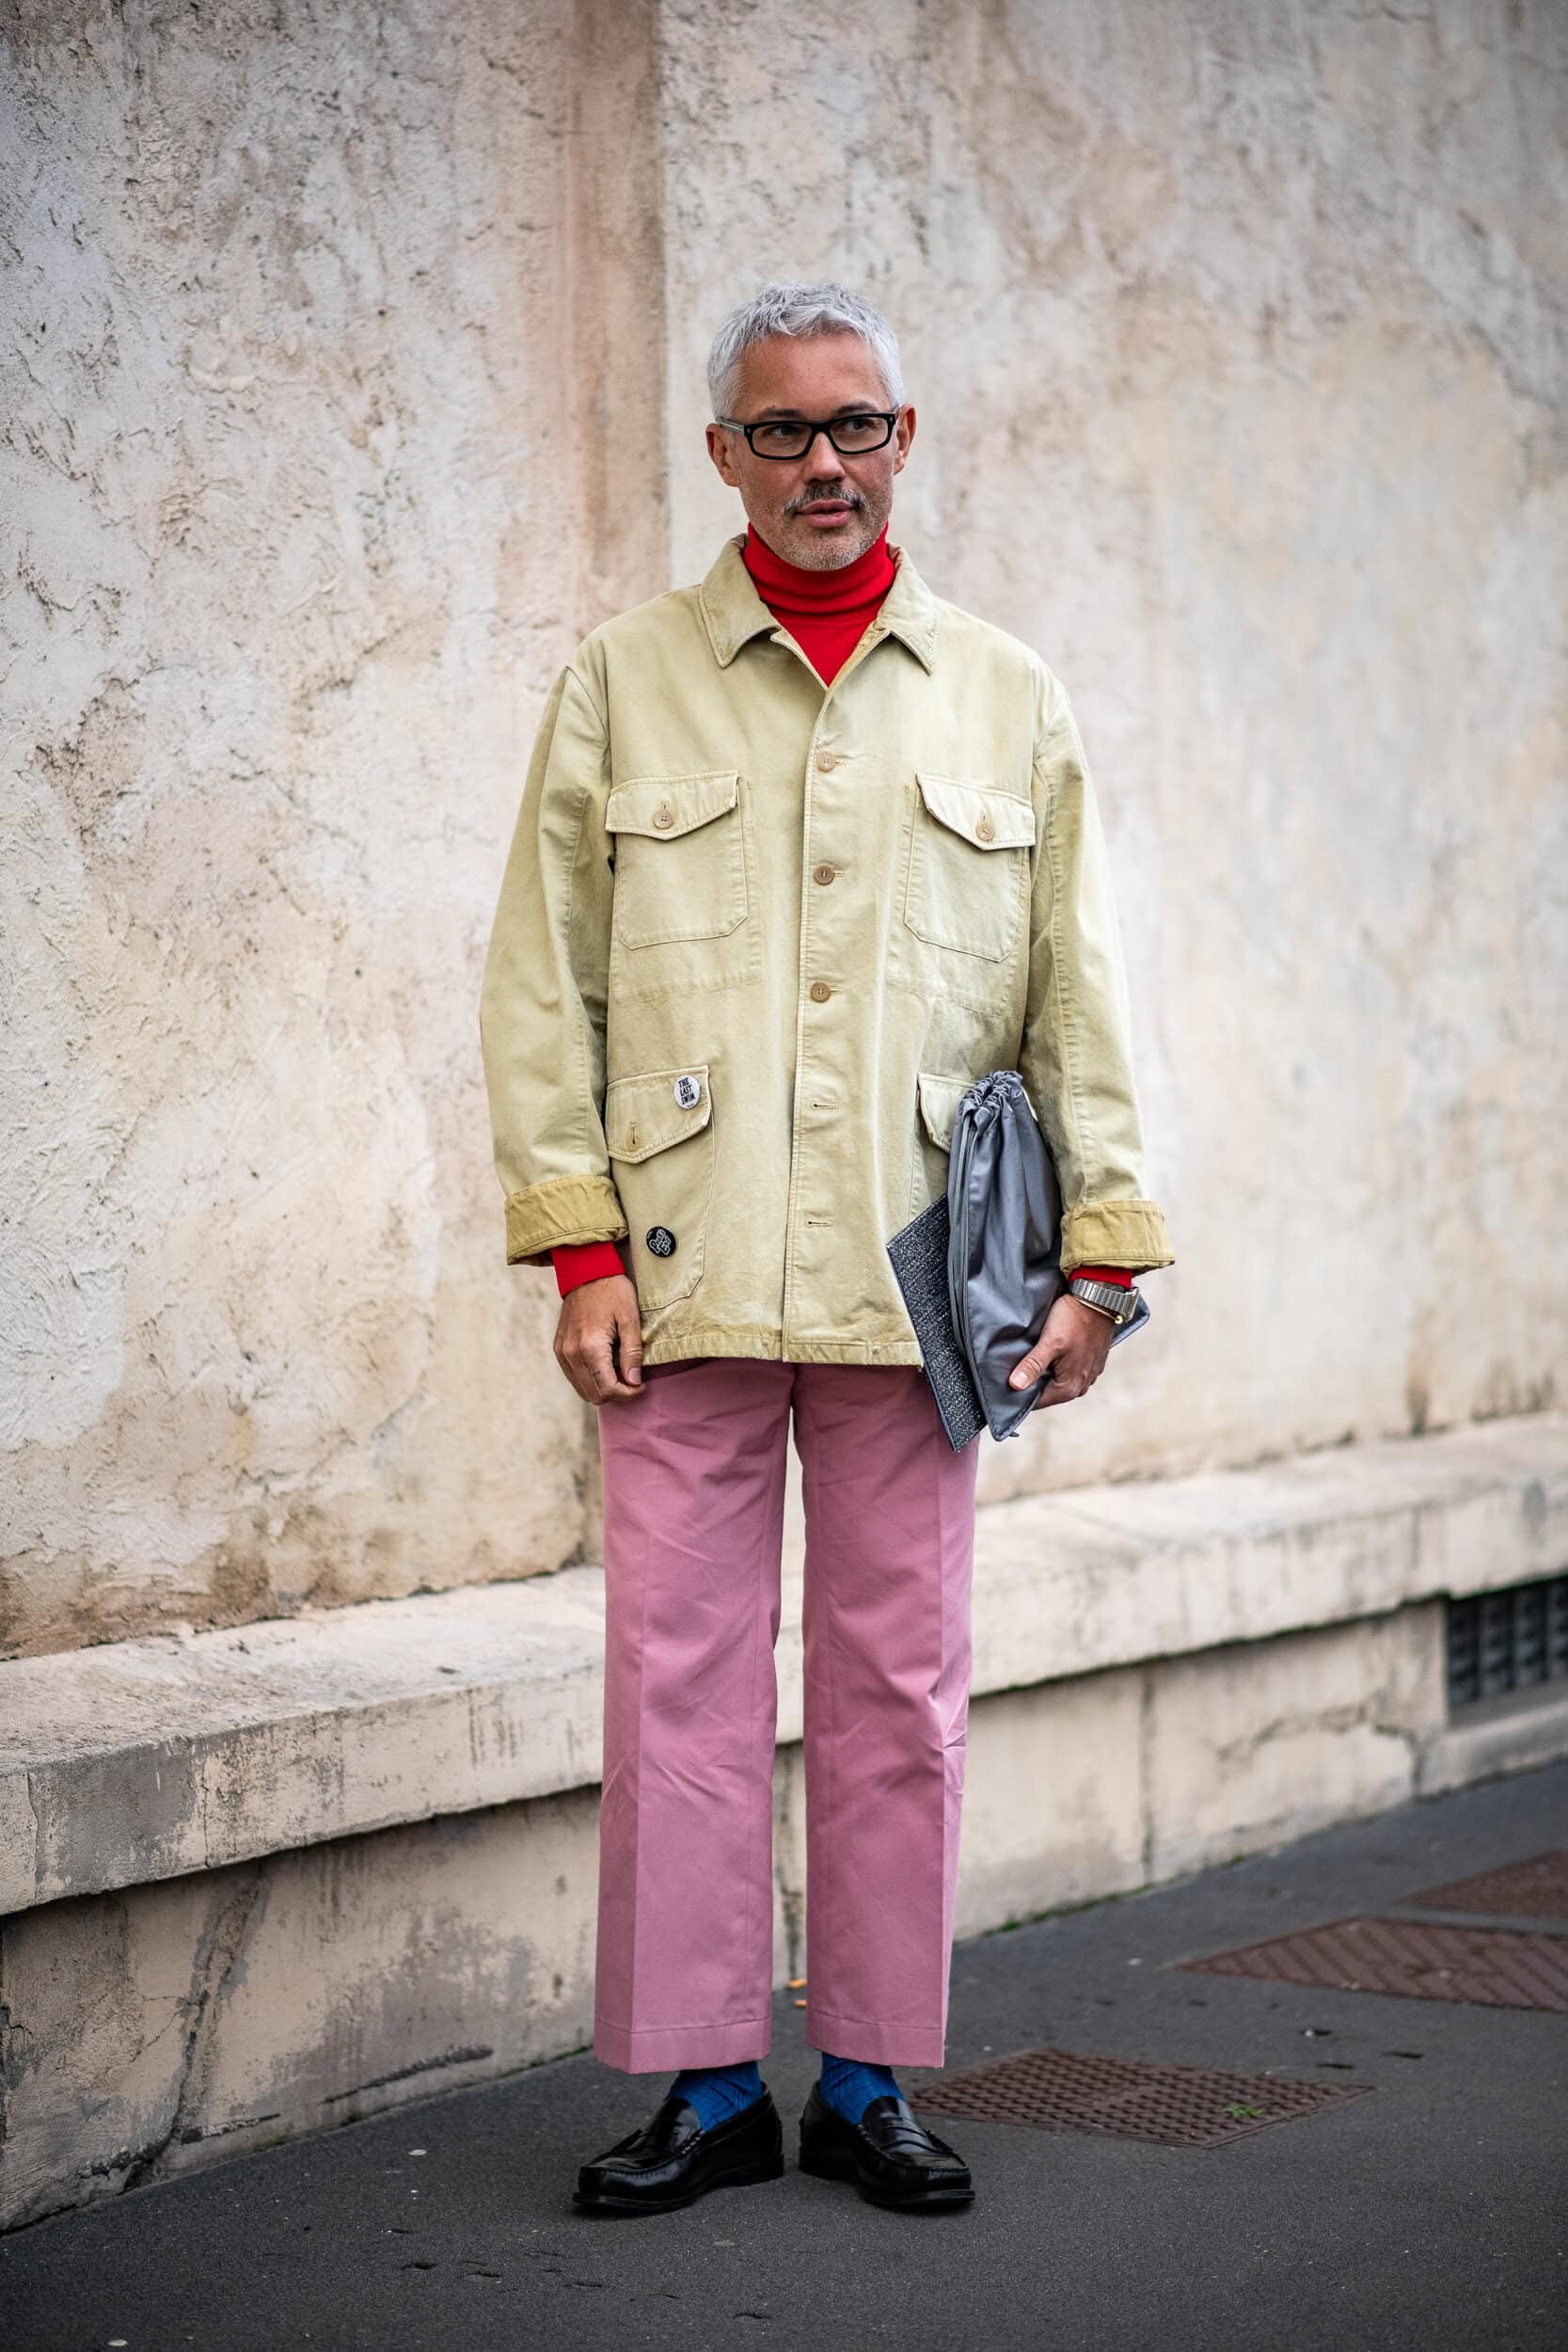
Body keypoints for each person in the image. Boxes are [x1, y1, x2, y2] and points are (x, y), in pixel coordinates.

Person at [479, 279, 1174, 2216]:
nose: (823, 465)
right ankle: (708, 2083)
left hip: (916, 1281)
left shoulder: (1006, 694)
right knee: (674, 1688)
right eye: (781, 431)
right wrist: (579, 1252)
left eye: (854, 425)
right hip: (680, 1281)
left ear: (905, 440)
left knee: (899, 1683)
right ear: (723, 456)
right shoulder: (623, 680)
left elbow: (1077, 991)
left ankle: (865, 2068)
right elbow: (543, 987)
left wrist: (1103, 1259)